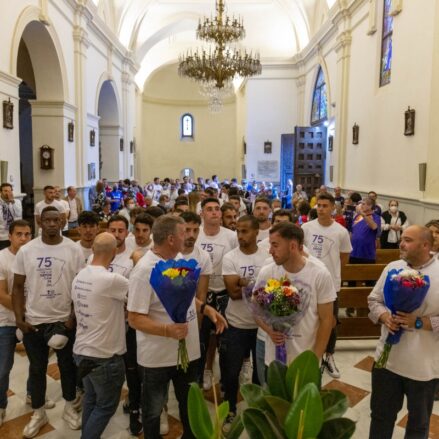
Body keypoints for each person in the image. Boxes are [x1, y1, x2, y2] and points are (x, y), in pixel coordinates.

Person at [127, 215, 227, 439]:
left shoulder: (180, 258)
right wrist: (167, 331)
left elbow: (184, 296)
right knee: (153, 410)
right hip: (157, 357)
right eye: (184, 233)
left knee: (189, 405)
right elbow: (134, 318)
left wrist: (204, 308)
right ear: (171, 239)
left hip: (187, 352)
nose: (190, 237)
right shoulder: (144, 271)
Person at [12, 207, 84, 438]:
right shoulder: (27, 250)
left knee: (67, 367)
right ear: (40, 222)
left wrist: (72, 318)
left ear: (63, 221)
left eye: (56, 220)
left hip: (63, 319)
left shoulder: (73, 249)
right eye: (47, 220)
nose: (52, 224)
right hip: (34, 320)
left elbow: (79, 286)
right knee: (36, 368)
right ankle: (39, 412)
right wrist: (19, 318)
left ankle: (70, 406)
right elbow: (17, 287)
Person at [368, 225, 439, 439]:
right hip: (386, 361)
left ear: (425, 245)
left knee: (418, 424)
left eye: (408, 239)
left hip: (423, 366)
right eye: (402, 238)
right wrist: (384, 316)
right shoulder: (393, 267)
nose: (401, 243)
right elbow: (374, 300)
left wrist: (418, 323)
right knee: (381, 416)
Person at [255, 222, 335, 368]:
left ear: (292, 246)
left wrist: (314, 360)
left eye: (275, 245)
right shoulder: (267, 272)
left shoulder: (319, 274)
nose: (270, 251)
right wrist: (270, 331)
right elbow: (256, 310)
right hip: (274, 360)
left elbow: (326, 320)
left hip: (304, 360)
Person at [72, 232, 128, 439]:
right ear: (114, 253)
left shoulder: (79, 276)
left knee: (91, 400)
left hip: (82, 352)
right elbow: (138, 296)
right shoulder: (113, 280)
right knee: (105, 407)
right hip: (104, 357)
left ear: (93, 250)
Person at [221, 215, 269, 431]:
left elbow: (273, 290)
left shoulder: (268, 256)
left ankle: (257, 412)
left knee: (260, 376)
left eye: (245, 231)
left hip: (262, 327)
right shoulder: (230, 257)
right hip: (236, 324)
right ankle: (230, 409)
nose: (240, 236)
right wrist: (257, 286)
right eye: (238, 231)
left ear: (256, 231)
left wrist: (244, 282)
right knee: (230, 373)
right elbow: (232, 293)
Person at [302, 193, 352, 378]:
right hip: (308, 281)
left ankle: (329, 355)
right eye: (319, 205)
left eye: (325, 205)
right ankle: (309, 354)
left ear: (333, 208)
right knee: (308, 318)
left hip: (331, 284)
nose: (321, 209)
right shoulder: (306, 228)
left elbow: (344, 257)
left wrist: (329, 272)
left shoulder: (340, 231)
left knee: (330, 321)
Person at [196, 198, 238, 392]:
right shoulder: (196, 236)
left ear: (220, 214)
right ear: (202, 214)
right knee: (202, 337)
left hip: (223, 292)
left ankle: (225, 380)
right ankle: (204, 370)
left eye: (216, 209)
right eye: (209, 209)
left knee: (225, 339)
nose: (213, 212)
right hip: (201, 293)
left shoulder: (230, 236)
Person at [0, 220, 32, 426]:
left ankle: (33, 395)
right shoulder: (2, 258)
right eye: (19, 234)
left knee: (37, 364)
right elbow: (2, 295)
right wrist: (22, 313)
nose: (23, 238)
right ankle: (1, 405)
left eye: (27, 234)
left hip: (31, 318)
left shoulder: (34, 256)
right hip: (7, 320)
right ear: (10, 236)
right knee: (3, 367)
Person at [350, 198, 381, 264]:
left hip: (367, 254)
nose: (361, 206)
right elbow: (352, 232)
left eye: (363, 204)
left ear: (370, 206)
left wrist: (363, 214)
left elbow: (374, 227)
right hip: (353, 252)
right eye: (361, 204)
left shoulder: (376, 217)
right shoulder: (357, 217)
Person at [0, 183, 23, 250]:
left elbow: (19, 214)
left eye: (10, 191)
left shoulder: (17, 202)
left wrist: (12, 202)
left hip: (15, 235)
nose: (8, 193)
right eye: (5, 191)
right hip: (2, 236)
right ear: (1, 192)